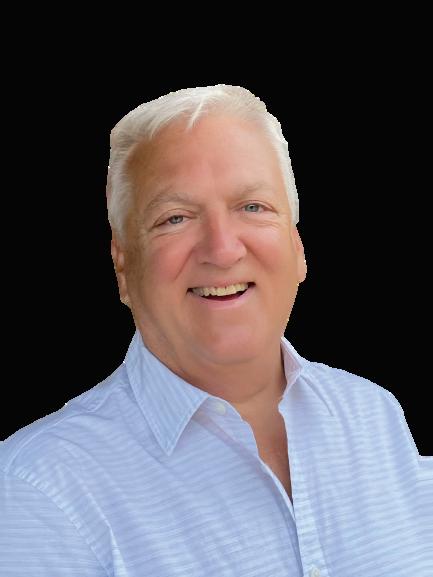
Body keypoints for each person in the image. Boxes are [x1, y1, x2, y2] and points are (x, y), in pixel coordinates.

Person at [0, 85, 431, 576]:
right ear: (122, 265)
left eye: (253, 207)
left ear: (297, 246)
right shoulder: (38, 492)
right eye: (175, 218)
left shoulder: (374, 416)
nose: (223, 250)